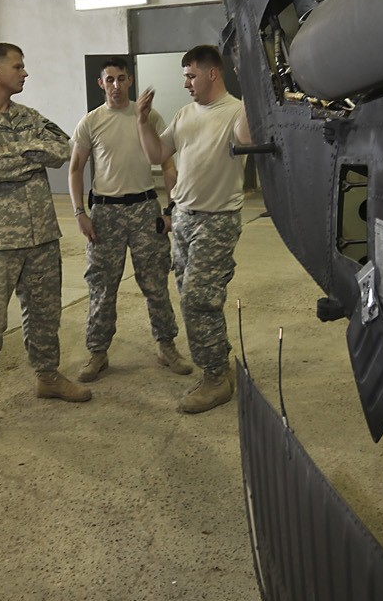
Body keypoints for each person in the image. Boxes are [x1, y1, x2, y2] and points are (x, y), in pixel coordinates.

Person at [0, 43, 90, 441]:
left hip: (40, 235)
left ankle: (47, 376)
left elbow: (63, 148)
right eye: (18, 66)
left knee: (45, 313)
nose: (24, 72)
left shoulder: (28, 116)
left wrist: (17, 153)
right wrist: (32, 153)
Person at [137, 44, 251, 414]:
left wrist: (253, 93)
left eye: (190, 75)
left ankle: (215, 379)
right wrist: (142, 121)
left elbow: (248, 140)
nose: (186, 82)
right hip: (184, 216)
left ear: (212, 73)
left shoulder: (235, 111)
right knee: (194, 296)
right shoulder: (186, 114)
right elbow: (157, 154)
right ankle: (220, 363)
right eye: (184, 76)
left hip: (217, 219)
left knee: (198, 298)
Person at [68, 57, 187, 383]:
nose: (116, 86)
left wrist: (170, 209)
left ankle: (166, 346)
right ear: (100, 84)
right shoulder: (91, 122)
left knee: (155, 284)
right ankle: (98, 353)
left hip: (145, 209)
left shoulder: (148, 116)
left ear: (130, 81)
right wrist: (80, 213)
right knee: (102, 288)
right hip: (105, 213)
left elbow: (167, 165)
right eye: (110, 80)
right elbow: (76, 169)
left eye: (122, 79)